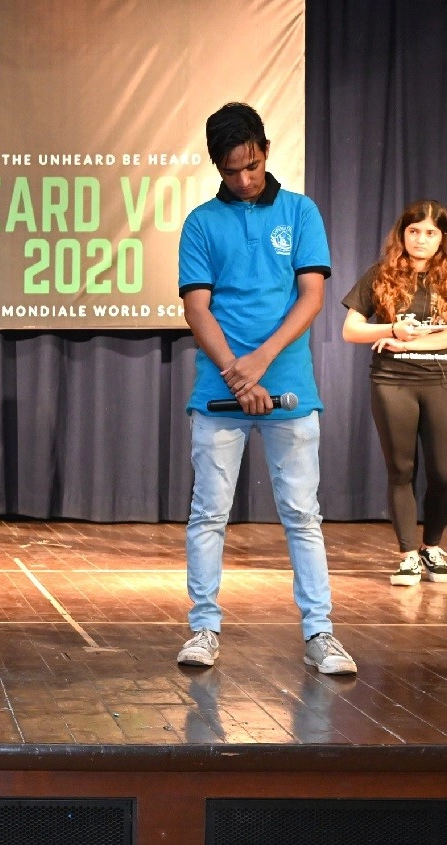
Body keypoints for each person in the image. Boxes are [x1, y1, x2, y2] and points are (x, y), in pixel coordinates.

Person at [175, 102, 356, 675]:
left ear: (266, 151)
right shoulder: (201, 222)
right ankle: (203, 627)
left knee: (302, 514)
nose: (245, 179)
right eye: (232, 171)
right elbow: (197, 308)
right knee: (209, 514)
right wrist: (236, 371)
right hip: (219, 391)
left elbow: (312, 297)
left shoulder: (301, 212)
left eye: (252, 166)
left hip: (290, 387)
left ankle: (320, 633)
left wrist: (260, 362)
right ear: (217, 166)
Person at [341, 200, 447, 586]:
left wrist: (411, 342)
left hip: (439, 380)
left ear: (442, 238)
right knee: (401, 469)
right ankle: (408, 555)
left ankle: (432, 546)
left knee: (443, 472)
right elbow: (351, 330)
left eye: (431, 232)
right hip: (392, 381)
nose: (421, 239)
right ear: (402, 234)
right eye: (414, 231)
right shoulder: (380, 274)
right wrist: (391, 331)